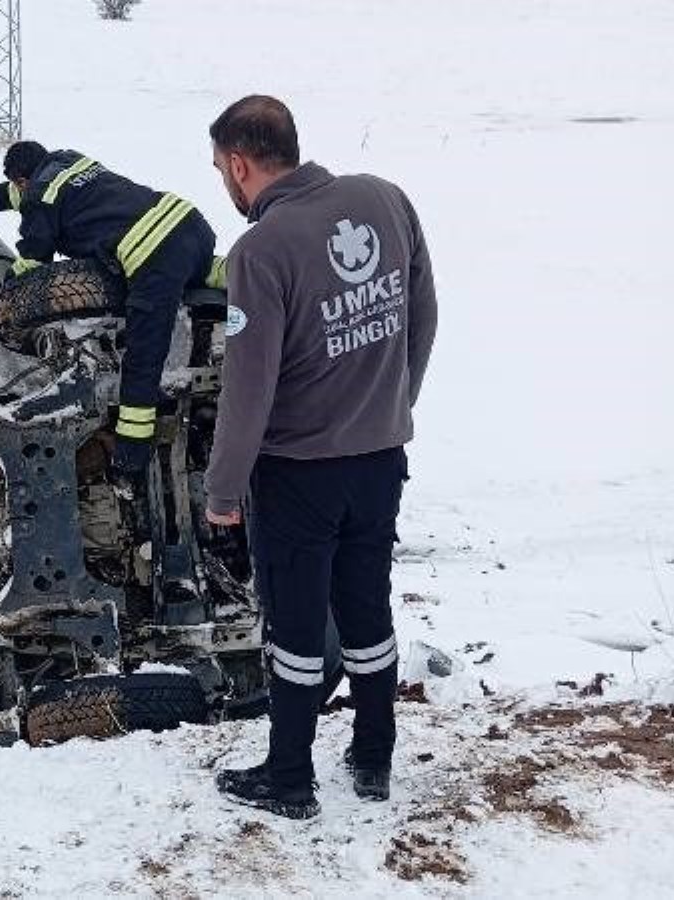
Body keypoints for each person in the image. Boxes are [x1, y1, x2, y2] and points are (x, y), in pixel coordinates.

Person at [203, 95, 438, 818]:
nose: (224, 181)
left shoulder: (260, 251)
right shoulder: (385, 199)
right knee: (367, 608)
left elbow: (248, 388)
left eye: (220, 169)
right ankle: (374, 759)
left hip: (298, 475)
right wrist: (393, 404)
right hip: (378, 460)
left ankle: (289, 779)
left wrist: (222, 491)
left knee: (298, 631)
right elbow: (422, 313)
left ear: (240, 165)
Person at [0, 142, 219, 482]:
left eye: (18, 186)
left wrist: (8, 289)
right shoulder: (66, 162)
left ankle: (132, 454)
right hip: (188, 223)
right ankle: (260, 278)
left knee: (143, 357)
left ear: (22, 180)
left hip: (152, 257)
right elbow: (17, 197)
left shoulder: (37, 197)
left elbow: (34, 259)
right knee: (203, 272)